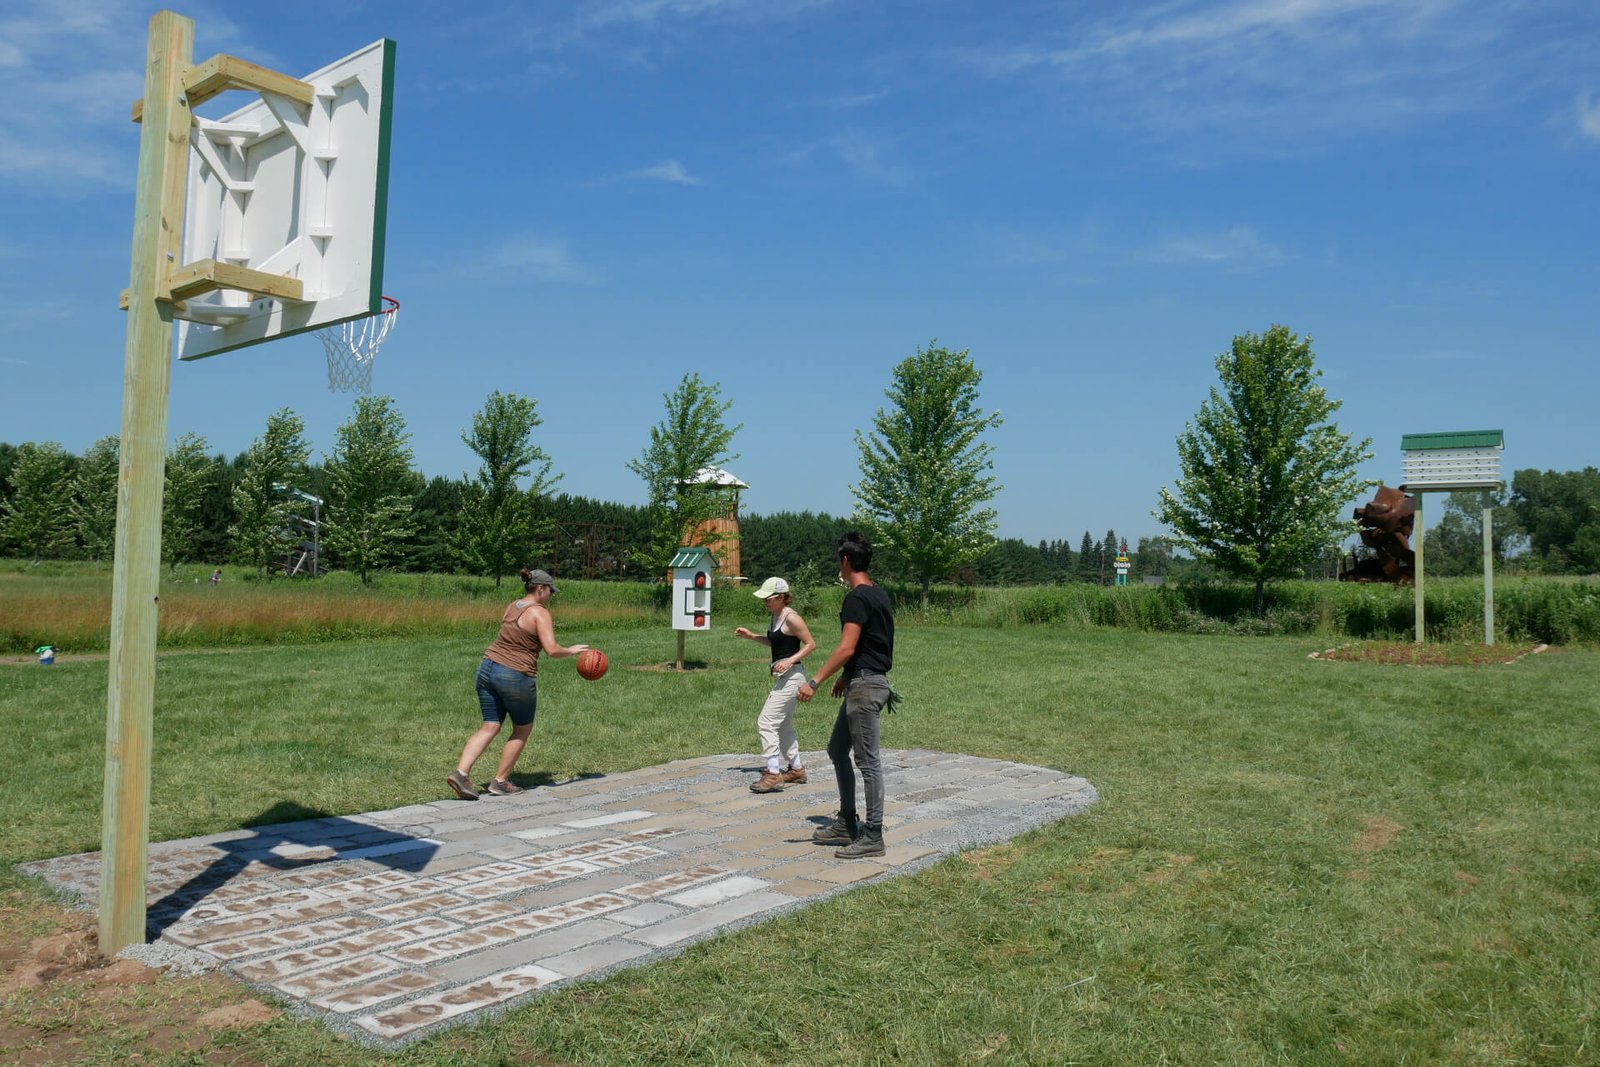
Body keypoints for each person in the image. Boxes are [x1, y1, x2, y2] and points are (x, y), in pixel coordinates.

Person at [447, 568, 588, 800]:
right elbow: (552, 650)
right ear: (540, 589)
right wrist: (571, 650)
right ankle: (501, 781)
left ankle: (461, 774)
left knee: (490, 725)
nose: (551, 595)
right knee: (522, 728)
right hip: (514, 675)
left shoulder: (513, 605)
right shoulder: (540, 613)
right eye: (550, 591)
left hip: (487, 668)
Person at [797, 531, 895, 858]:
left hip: (866, 688)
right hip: (863, 681)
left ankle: (873, 835)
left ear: (845, 560)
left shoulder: (855, 598)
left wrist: (815, 681)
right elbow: (870, 645)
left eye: (838, 560)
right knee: (837, 749)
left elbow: (847, 646)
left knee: (868, 763)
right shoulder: (879, 595)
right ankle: (847, 821)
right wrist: (845, 675)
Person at [734, 576, 817, 794]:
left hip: (793, 678)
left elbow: (811, 644)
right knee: (783, 725)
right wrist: (752, 637)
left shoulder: (792, 618)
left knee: (766, 722)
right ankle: (796, 769)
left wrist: (789, 661)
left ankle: (773, 774)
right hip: (785, 678)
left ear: (781, 597)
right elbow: (776, 641)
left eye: (768, 599)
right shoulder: (776, 616)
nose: (765, 603)